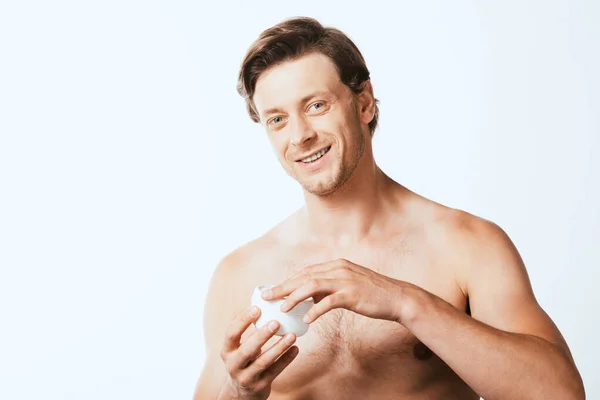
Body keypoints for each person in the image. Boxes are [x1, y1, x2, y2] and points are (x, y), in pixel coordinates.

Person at [193, 17, 585, 400]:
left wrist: (406, 302)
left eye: (315, 105)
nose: (300, 136)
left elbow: (562, 393)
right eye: (277, 119)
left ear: (363, 103)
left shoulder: (467, 246)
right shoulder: (239, 275)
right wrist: (241, 392)